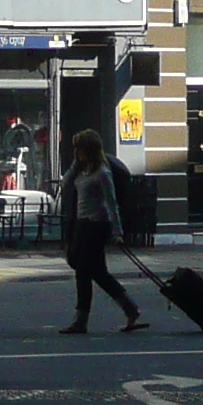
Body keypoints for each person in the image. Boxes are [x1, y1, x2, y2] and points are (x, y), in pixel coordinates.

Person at [57, 129, 144, 335]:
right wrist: (74, 166)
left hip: (97, 225)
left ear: (89, 149)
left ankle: (81, 320)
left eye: (79, 148)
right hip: (81, 223)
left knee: (83, 272)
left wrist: (117, 230)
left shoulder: (103, 173)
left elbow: (111, 203)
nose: (76, 152)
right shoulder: (81, 170)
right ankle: (131, 309)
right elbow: (65, 184)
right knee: (97, 272)